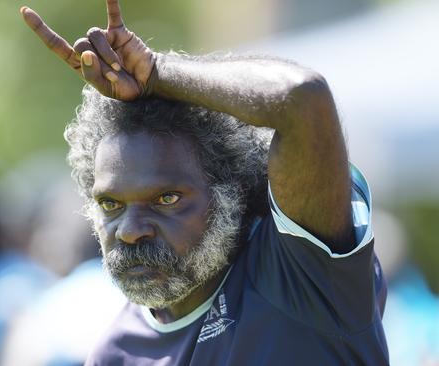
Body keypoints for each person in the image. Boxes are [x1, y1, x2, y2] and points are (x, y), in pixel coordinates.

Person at [20, 1, 388, 364]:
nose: (130, 231)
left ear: (230, 194)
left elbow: (301, 99)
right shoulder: (114, 353)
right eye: (111, 204)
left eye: (166, 198)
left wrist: (158, 72)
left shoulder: (302, 277)